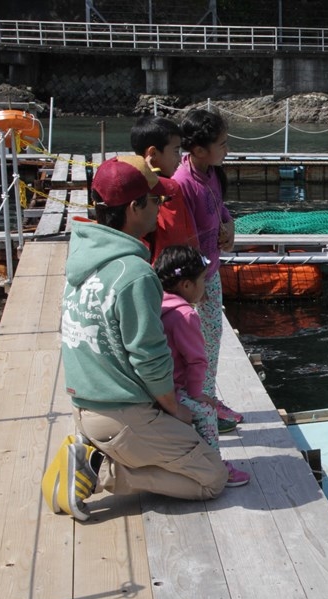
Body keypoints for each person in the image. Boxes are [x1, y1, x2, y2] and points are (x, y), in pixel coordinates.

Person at [55, 156, 228, 519]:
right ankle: (105, 471)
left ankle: (97, 449)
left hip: (85, 406)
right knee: (212, 477)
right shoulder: (135, 274)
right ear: (135, 207)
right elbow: (149, 358)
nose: (161, 208)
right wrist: (174, 410)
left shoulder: (82, 258)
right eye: (155, 202)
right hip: (122, 413)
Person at [154, 244, 250, 487]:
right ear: (186, 285)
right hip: (173, 390)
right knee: (206, 413)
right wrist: (198, 395)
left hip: (156, 385)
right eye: (202, 281)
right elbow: (197, 361)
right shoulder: (186, 316)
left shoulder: (157, 304)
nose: (205, 287)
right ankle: (215, 464)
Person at [172, 108, 243, 433]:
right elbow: (180, 234)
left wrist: (229, 226)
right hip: (190, 281)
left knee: (211, 339)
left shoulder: (212, 173)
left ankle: (207, 397)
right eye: (223, 143)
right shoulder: (182, 182)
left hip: (209, 273)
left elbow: (219, 207)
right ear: (199, 149)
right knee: (195, 346)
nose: (227, 149)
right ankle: (200, 403)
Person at [129, 115, 200, 263]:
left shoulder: (130, 189)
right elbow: (179, 234)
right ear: (153, 154)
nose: (179, 158)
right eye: (175, 151)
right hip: (171, 272)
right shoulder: (169, 189)